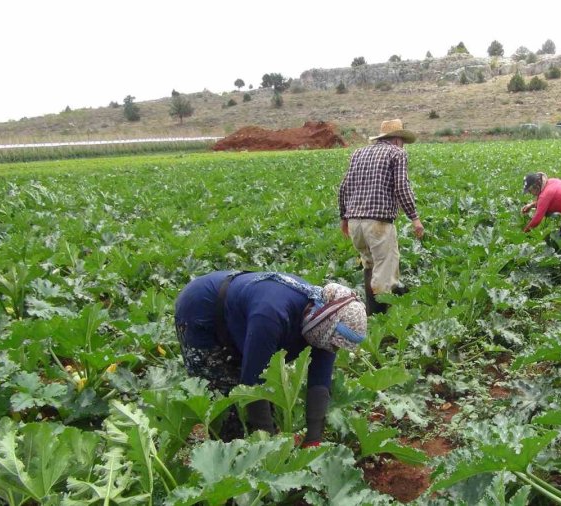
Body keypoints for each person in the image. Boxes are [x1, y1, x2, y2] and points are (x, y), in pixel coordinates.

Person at [174, 270, 367, 445]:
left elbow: (320, 383)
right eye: (334, 343)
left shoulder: (323, 322)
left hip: (242, 317)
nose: (334, 348)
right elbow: (253, 383)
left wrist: (313, 439)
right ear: (327, 326)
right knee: (231, 411)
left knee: (268, 412)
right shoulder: (273, 315)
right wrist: (267, 447)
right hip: (200, 309)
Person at [339, 119, 424, 315]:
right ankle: (379, 324)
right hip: (378, 223)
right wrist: (415, 218)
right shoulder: (397, 153)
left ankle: (369, 316)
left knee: (369, 265)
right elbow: (401, 187)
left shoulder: (358, 153)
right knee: (384, 276)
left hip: (355, 224)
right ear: (397, 140)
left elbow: (344, 187)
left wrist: (344, 218)